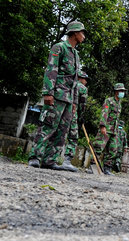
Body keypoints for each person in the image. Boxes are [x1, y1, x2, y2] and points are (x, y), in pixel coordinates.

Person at [28, 21, 86, 170]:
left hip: (68, 99)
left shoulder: (76, 54)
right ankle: (35, 156)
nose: (84, 36)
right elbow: (51, 70)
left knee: (62, 131)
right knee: (47, 126)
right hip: (57, 95)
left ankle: (50, 160)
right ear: (74, 33)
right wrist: (48, 93)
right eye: (82, 33)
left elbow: (74, 80)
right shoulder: (59, 47)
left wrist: (74, 102)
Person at [93, 83, 126, 175]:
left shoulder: (119, 104)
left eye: (123, 91)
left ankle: (107, 168)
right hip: (106, 128)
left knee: (113, 150)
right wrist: (103, 126)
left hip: (114, 130)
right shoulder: (109, 101)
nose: (122, 93)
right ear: (116, 91)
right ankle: (93, 166)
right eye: (121, 91)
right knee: (99, 147)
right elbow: (105, 113)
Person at [62, 70, 89, 172]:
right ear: (81, 78)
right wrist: (81, 117)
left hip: (62, 112)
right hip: (73, 113)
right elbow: (82, 104)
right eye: (85, 79)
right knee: (73, 137)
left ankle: (50, 158)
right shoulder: (82, 88)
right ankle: (67, 161)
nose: (86, 82)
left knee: (60, 134)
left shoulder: (68, 83)